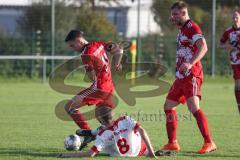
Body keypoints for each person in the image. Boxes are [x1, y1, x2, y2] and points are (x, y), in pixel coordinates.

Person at [156, 1, 217, 154]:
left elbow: (203, 46)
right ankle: (172, 143)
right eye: (172, 14)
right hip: (181, 77)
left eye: (175, 14)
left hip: (192, 75)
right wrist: (176, 22)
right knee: (168, 106)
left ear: (184, 13)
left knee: (194, 107)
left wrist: (190, 63)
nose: (173, 17)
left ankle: (209, 142)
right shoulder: (183, 28)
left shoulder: (192, 27)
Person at [64, 30, 123, 148]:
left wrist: (88, 70)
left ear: (79, 40)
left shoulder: (86, 54)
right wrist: (117, 63)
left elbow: (92, 77)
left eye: (72, 45)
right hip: (109, 86)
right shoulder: (99, 44)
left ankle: (88, 133)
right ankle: (120, 143)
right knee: (105, 120)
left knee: (69, 106)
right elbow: (118, 49)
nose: (72, 48)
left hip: (99, 88)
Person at [59, 106, 156, 158]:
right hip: (138, 151)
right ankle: (92, 133)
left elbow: (90, 154)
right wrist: (151, 152)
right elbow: (142, 131)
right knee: (136, 132)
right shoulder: (125, 119)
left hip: (120, 155)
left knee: (104, 136)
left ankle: (92, 133)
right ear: (113, 115)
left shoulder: (102, 136)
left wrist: (68, 155)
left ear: (100, 120)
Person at [220, 10, 240, 114]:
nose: (235, 19)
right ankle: (239, 105)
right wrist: (228, 46)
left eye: (237, 17)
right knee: (238, 85)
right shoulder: (228, 32)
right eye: (233, 17)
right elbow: (221, 44)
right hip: (235, 61)